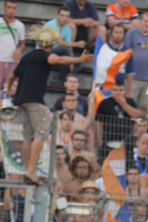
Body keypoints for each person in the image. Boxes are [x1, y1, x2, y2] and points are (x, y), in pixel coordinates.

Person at [5, 26, 92, 185]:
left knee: (28, 137)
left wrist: (8, 90)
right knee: (41, 134)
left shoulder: (27, 56)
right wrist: (79, 60)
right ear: (51, 45)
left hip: (21, 101)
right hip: (35, 101)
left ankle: (27, 169)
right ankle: (31, 171)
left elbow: (11, 76)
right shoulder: (44, 56)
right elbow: (59, 60)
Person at [0, 1, 25, 89]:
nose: (11, 10)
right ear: (4, 8)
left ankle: (4, 98)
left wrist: (19, 50)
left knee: (7, 88)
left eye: (13, 8)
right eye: (9, 7)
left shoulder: (20, 25)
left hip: (12, 60)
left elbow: (22, 43)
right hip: (0, 58)